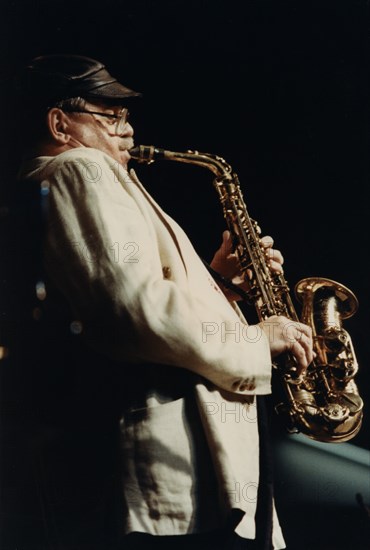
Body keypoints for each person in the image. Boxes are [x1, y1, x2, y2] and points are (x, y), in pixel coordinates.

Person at [5, 54, 314, 550]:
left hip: (180, 469)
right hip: (174, 470)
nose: (128, 132)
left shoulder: (72, 178)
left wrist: (222, 284)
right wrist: (256, 339)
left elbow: (128, 295)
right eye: (112, 117)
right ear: (59, 123)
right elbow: (132, 310)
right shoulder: (81, 169)